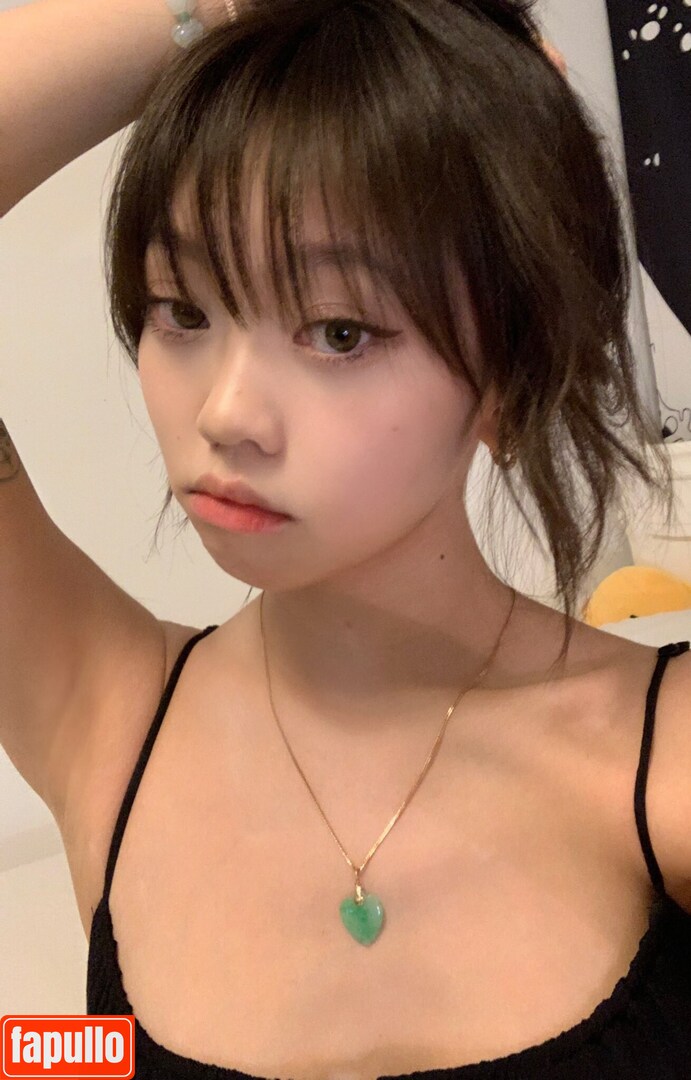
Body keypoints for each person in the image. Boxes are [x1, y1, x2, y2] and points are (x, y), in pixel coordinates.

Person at [1, 0, 690, 1077]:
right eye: (183, 310)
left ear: (509, 374)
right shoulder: (108, 715)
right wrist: (229, 6)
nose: (227, 411)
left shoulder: (661, 761)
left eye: (337, 331)